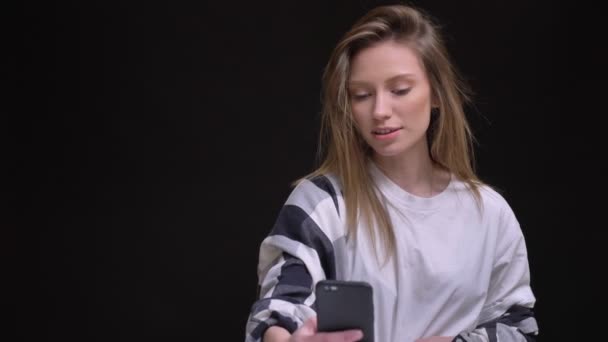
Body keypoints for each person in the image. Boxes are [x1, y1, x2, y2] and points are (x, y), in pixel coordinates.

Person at [245, 4, 539, 342]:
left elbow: (517, 326)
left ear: (437, 94)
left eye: (400, 90)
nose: (380, 111)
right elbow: (277, 310)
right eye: (362, 95)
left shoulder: (489, 214)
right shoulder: (323, 204)